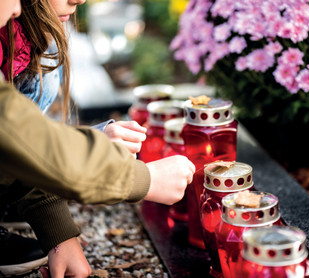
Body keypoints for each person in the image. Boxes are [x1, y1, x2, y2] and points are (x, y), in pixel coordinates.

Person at [0, 0, 195, 277]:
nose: (79, 0)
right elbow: (17, 137)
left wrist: (59, 233)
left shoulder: (20, 37)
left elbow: (24, 144)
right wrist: (142, 179)